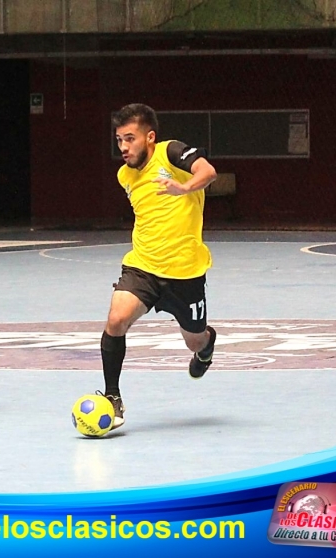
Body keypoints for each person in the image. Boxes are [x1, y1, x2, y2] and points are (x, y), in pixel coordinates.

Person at [100, 103, 218, 430]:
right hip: (143, 267)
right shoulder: (125, 175)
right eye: (119, 140)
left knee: (194, 341)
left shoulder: (171, 153)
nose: (123, 147)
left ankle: (207, 345)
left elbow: (207, 173)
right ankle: (112, 397)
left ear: (150, 137)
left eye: (130, 139)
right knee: (116, 319)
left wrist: (184, 187)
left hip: (185, 272)